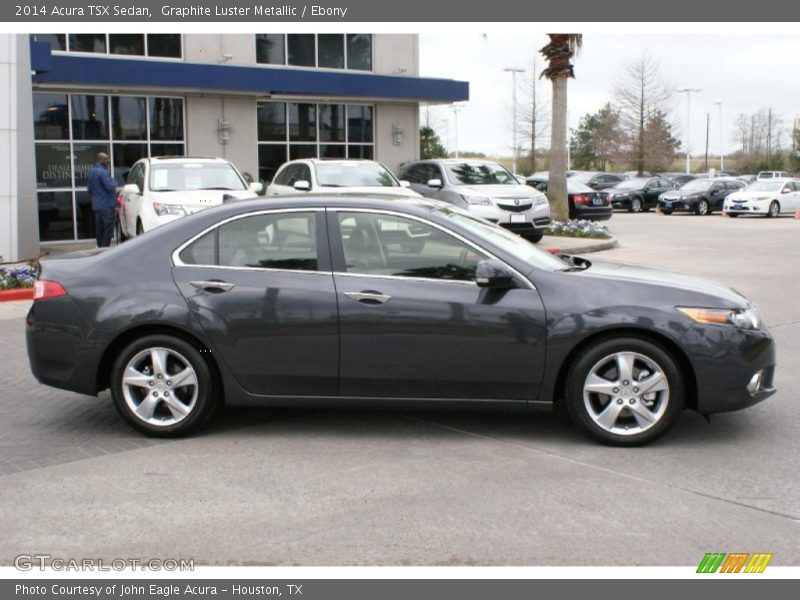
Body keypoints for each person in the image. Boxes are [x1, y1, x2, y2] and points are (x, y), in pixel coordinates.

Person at [87, 152, 117, 247]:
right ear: (101, 160)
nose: (108, 161)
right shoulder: (102, 172)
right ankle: (104, 251)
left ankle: (99, 249)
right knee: (107, 231)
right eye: (106, 159)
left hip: (97, 207)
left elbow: (89, 189)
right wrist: (114, 182)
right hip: (107, 206)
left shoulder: (92, 172)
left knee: (99, 231)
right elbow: (110, 186)